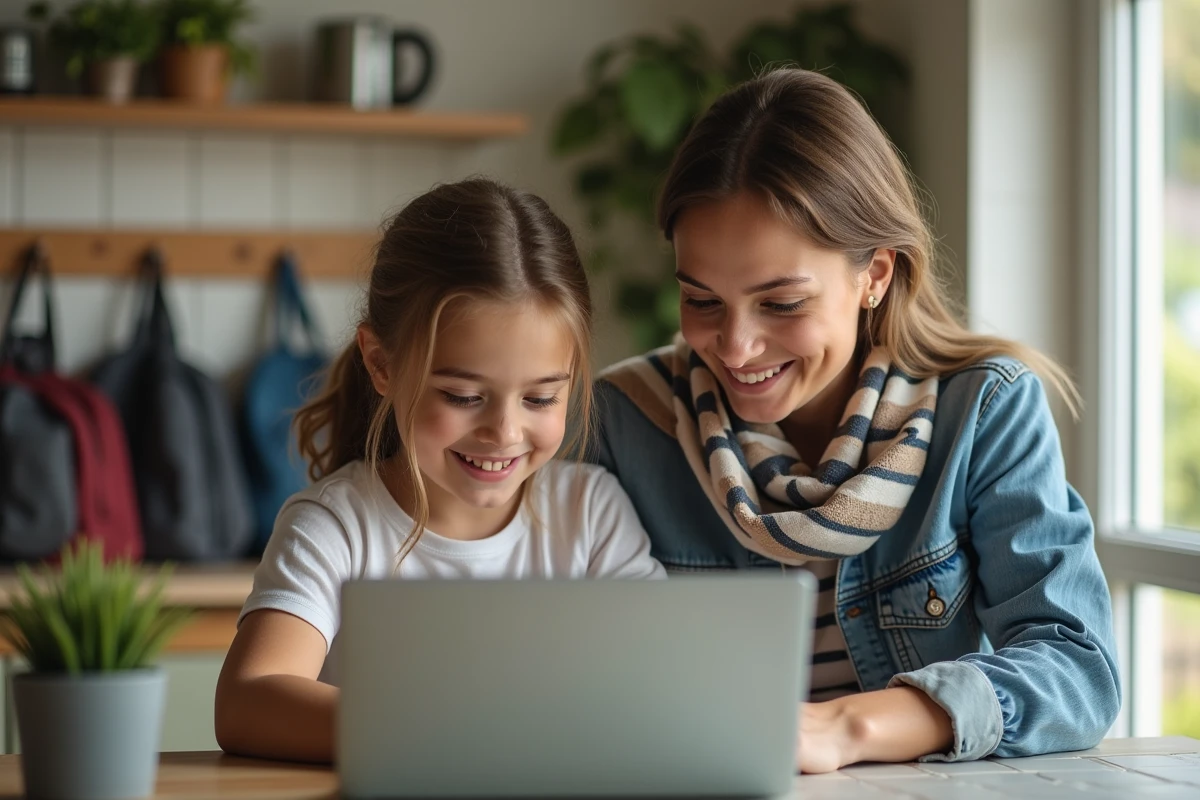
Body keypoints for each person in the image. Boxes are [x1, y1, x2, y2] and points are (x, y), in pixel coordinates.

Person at [592, 68, 1120, 773]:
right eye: (702, 300)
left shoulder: (981, 411)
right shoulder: (623, 422)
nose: (735, 347)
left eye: (780, 303)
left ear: (874, 274)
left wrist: (844, 729)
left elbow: (1077, 666)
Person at [216, 178, 664, 764]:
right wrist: (458, 733)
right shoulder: (337, 526)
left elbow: (658, 689)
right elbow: (248, 702)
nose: (503, 433)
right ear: (382, 364)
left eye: (539, 399)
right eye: (461, 395)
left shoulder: (592, 514)